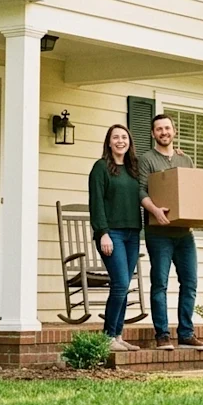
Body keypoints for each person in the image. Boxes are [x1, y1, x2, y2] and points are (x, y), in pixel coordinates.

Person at [139, 113, 203, 351]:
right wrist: (155, 211)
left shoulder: (185, 159)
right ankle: (162, 335)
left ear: (174, 131)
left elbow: (192, 190)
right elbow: (140, 191)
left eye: (167, 128)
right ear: (153, 134)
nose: (164, 132)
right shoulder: (146, 160)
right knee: (159, 283)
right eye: (159, 129)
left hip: (183, 233)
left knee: (189, 282)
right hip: (158, 232)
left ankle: (186, 334)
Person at [88, 124, 144, 352]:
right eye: (115, 137)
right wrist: (103, 233)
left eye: (124, 137)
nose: (120, 141)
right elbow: (96, 203)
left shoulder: (135, 169)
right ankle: (108, 336)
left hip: (133, 233)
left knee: (124, 284)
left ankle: (118, 336)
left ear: (129, 141)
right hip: (112, 234)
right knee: (120, 283)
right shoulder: (100, 168)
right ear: (109, 142)